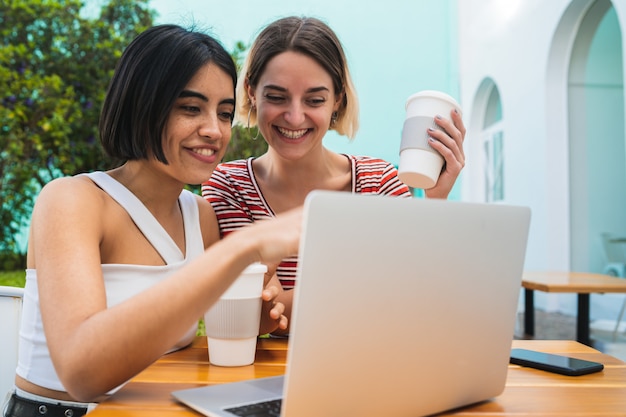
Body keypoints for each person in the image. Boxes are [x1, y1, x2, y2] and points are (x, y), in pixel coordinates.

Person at [3, 24, 302, 417]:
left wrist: (261, 310)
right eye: (190, 108)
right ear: (142, 104)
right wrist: (241, 248)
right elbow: (82, 372)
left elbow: (226, 328)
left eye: (225, 113)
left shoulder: (201, 216)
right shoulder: (72, 200)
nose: (214, 130)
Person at [202, 16, 466, 335]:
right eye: (277, 96)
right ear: (252, 93)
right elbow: (256, 315)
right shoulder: (230, 185)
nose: (295, 116)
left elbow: (419, 296)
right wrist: (374, 286)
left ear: (337, 99)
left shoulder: (378, 180)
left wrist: (436, 202)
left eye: (314, 100)